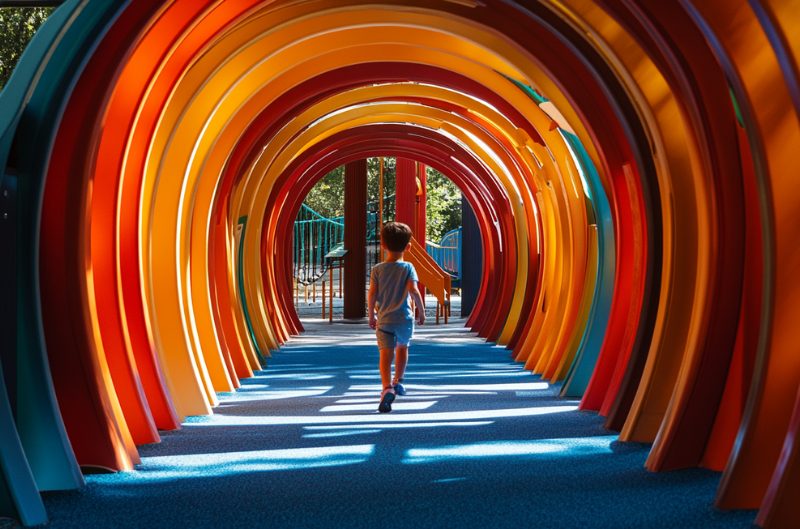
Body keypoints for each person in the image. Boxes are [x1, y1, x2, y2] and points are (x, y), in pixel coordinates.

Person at [368, 221, 425, 413]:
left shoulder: (377, 269)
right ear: (408, 246)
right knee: (402, 347)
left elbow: (372, 294)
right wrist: (421, 310)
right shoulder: (408, 267)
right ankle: (399, 380)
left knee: (385, 353)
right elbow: (414, 290)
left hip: (384, 319)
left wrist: (370, 314)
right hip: (404, 318)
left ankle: (386, 388)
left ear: (382, 245)